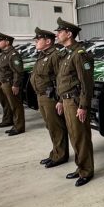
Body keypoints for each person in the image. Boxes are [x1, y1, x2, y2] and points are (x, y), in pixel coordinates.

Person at [54, 17, 95, 187]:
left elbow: (86, 83)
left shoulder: (79, 54)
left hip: (76, 102)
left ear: (69, 34)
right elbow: (63, 80)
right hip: (67, 101)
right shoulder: (67, 54)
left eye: (60, 32)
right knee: (74, 136)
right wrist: (60, 100)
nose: (57, 34)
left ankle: (86, 170)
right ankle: (80, 167)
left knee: (81, 137)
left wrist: (83, 106)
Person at [30, 27, 69, 168]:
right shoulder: (42, 55)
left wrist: (60, 100)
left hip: (51, 96)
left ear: (48, 41)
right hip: (41, 95)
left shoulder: (55, 55)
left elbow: (60, 79)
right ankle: (55, 152)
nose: (36, 41)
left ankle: (61, 155)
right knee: (50, 126)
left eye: (38, 39)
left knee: (56, 127)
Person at [0, 32, 25, 136]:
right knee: (8, 104)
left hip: (10, 84)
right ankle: (10, 121)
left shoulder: (13, 54)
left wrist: (16, 85)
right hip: (4, 83)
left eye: (0, 41)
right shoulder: (3, 53)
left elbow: (18, 71)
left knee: (16, 106)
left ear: (7, 42)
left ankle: (19, 127)